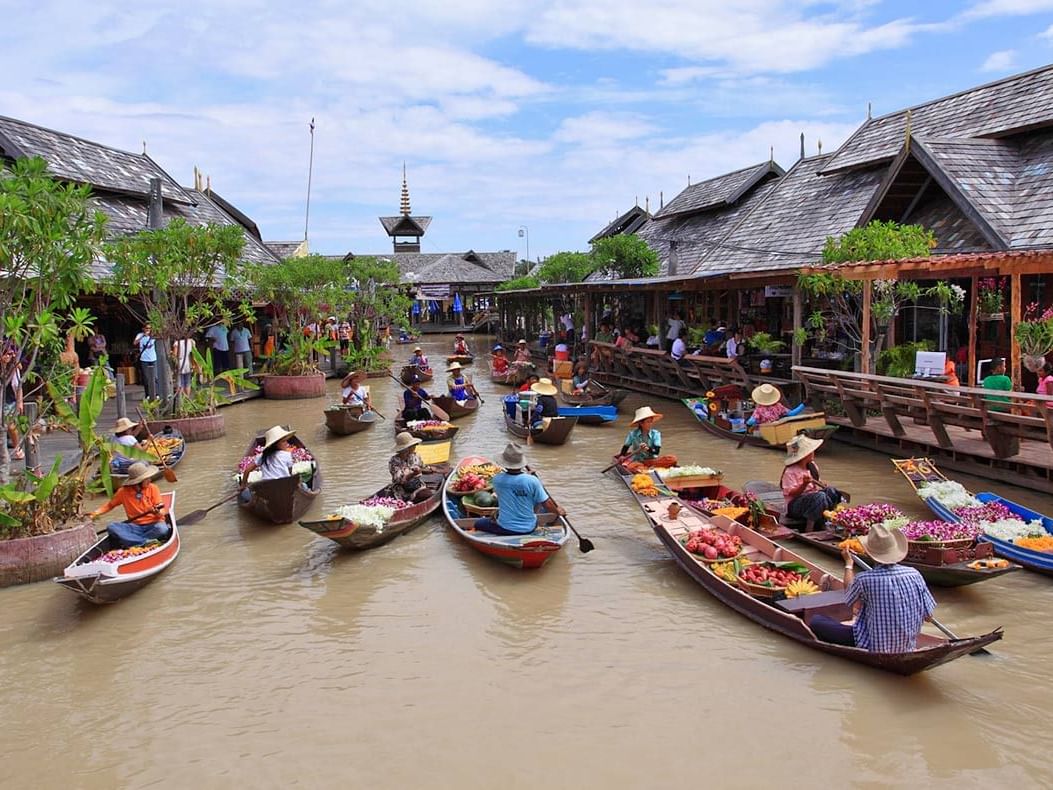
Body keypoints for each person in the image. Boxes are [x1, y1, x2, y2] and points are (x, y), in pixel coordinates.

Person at [809, 524, 936, 652]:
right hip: (908, 645)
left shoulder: (865, 579)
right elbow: (928, 617)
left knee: (816, 621)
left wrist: (848, 564)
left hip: (872, 645)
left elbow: (849, 598)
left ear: (870, 553)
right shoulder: (915, 574)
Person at [471, 443, 566, 535]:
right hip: (529, 528)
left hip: (504, 528)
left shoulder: (497, 479)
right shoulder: (532, 481)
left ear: (504, 463)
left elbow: (512, 483)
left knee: (478, 523)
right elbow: (547, 503)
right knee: (537, 498)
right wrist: (558, 512)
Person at [87, 461, 170, 548]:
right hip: (135, 527)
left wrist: (157, 512)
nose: (150, 480)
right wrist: (95, 513)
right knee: (112, 527)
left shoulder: (153, 488)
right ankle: (144, 542)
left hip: (154, 525)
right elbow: (109, 505)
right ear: (138, 482)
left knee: (162, 529)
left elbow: (162, 511)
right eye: (146, 478)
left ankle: (134, 541)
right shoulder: (123, 492)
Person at [780, 435, 847, 531]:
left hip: (813, 501)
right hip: (795, 506)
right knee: (820, 497)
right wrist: (804, 484)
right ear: (805, 454)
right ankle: (809, 528)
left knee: (831, 491)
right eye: (811, 451)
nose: (813, 453)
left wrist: (824, 486)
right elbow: (791, 493)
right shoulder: (790, 471)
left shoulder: (812, 466)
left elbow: (817, 484)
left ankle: (829, 519)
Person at [239, 426, 298, 497]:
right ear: (276, 444)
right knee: (302, 485)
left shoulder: (261, 456)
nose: (286, 443)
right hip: (284, 488)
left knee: (246, 494)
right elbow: (289, 472)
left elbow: (247, 470)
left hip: (267, 488)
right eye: (283, 441)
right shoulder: (287, 455)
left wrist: (243, 485)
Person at [389, 431, 438, 503]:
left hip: (416, 486)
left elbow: (423, 467)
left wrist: (429, 469)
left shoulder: (415, 456)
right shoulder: (394, 461)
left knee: (428, 494)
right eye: (413, 445)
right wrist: (412, 474)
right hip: (401, 489)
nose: (415, 447)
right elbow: (399, 480)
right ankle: (410, 500)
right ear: (406, 448)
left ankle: (413, 498)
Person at [2, 344, 24, 461]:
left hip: (9, 399)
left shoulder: (13, 368)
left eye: (10, 354)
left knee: (10, 425)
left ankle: (17, 447)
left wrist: (20, 402)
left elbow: (18, 386)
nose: (8, 356)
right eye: (6, 354)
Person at [134, 324, 158, 399]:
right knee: (146, 378)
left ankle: (156, 393)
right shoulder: (140, 335)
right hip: (144, 359)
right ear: (143, 328)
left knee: (155, 377)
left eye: (150, 328)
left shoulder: (153, 336)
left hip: (153, 358)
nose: (148, 329)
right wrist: (143, 336)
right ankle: (147, 394)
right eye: (147, 328)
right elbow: (135, 343)